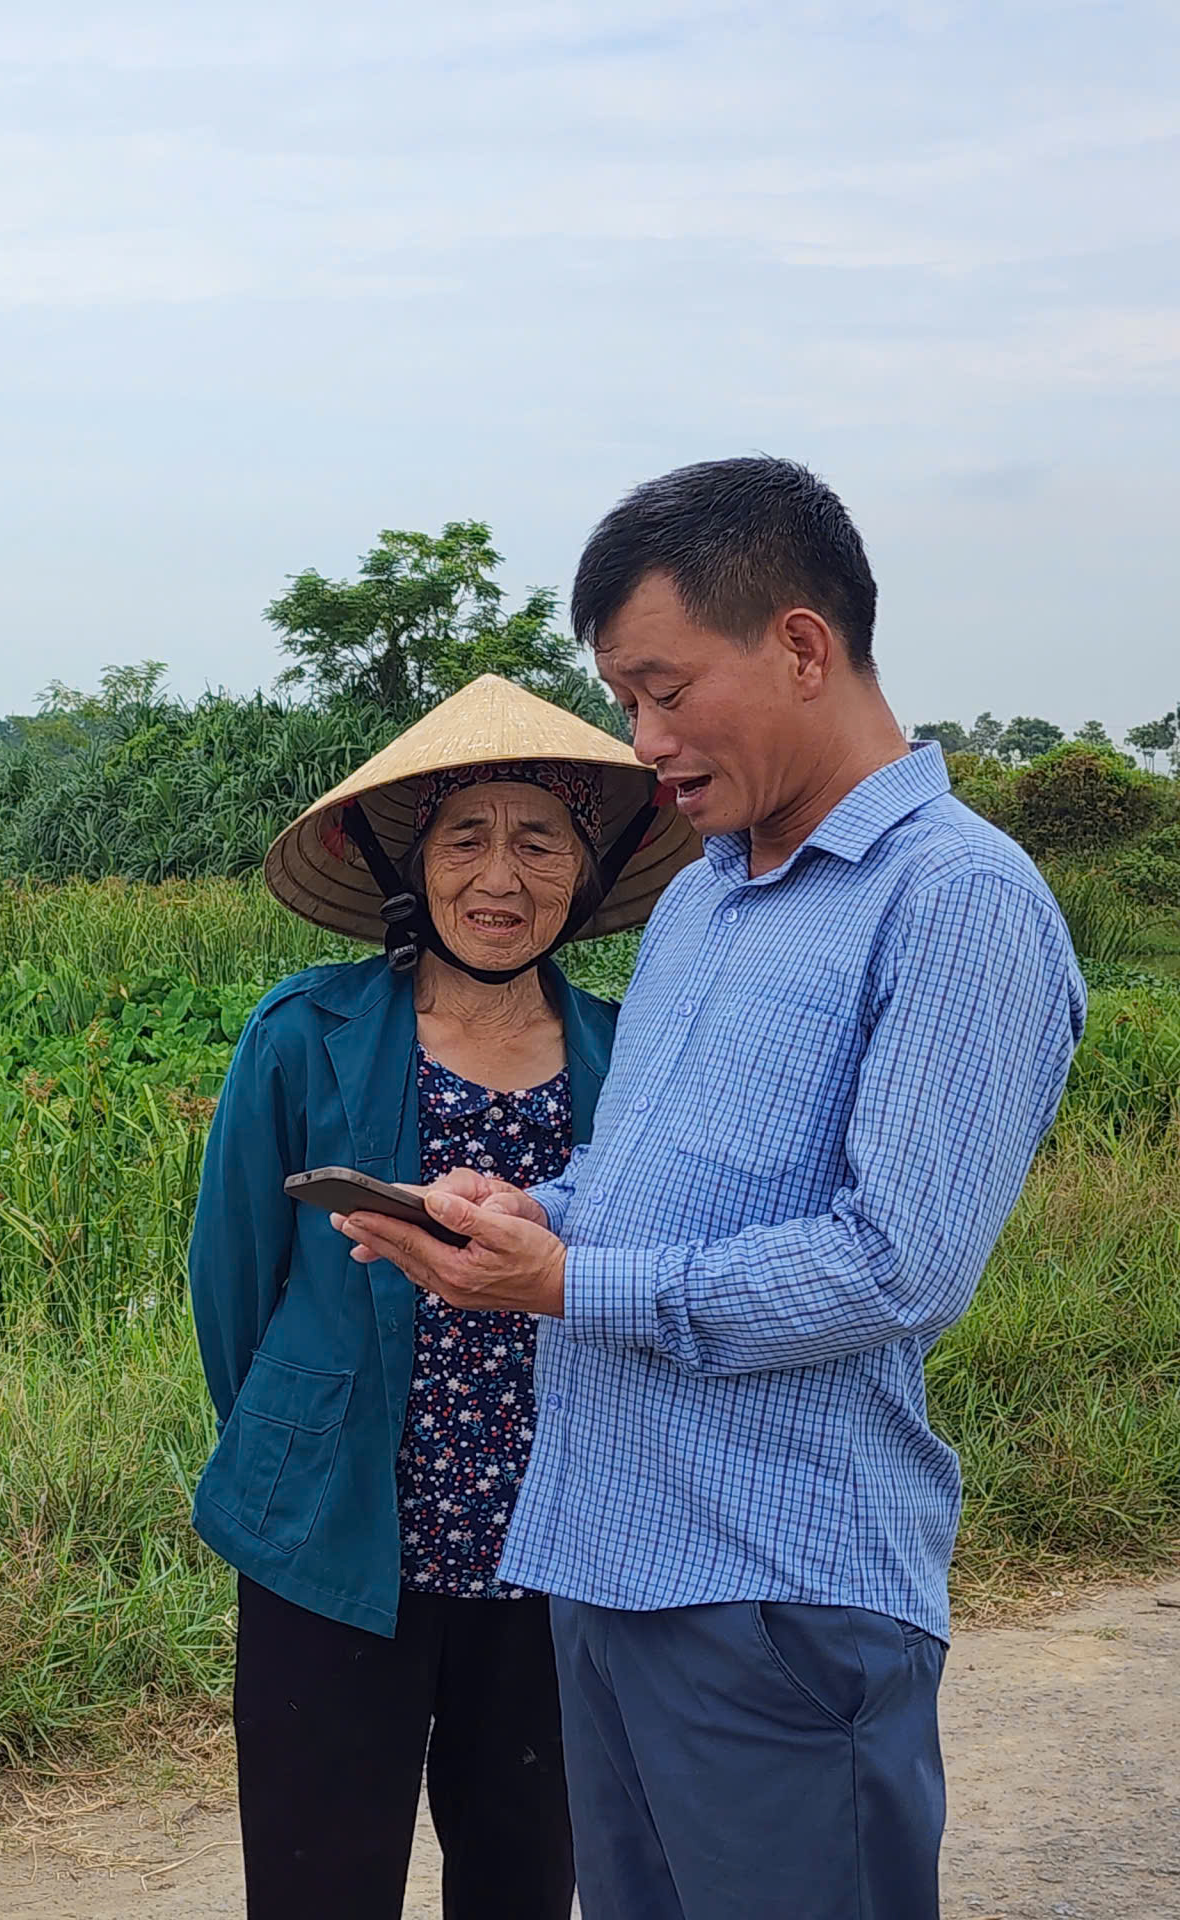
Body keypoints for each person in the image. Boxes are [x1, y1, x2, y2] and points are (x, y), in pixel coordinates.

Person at [340, 459, 1086, 1920]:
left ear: (804, 647)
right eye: (627, 698)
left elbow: (895, 1265)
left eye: (665, 691)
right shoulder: (707, 895)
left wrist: (567, 1285)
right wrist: (535, 1211)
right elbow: (649, 1176)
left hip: (777, 1597)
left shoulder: (957, 900)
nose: (645, 739)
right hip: (608, 1565)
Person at [190, 675, 697, 1919]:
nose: (500, 876)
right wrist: (297, 1438)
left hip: (554, 1535)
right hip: (337, 1525)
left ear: (587, 868)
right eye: (464, 838)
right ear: (410, 863)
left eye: (539, 841)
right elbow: (234, 1282)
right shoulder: (303, 1032)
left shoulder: (628, 1056)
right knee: (317, 1880)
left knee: (525, 1874)